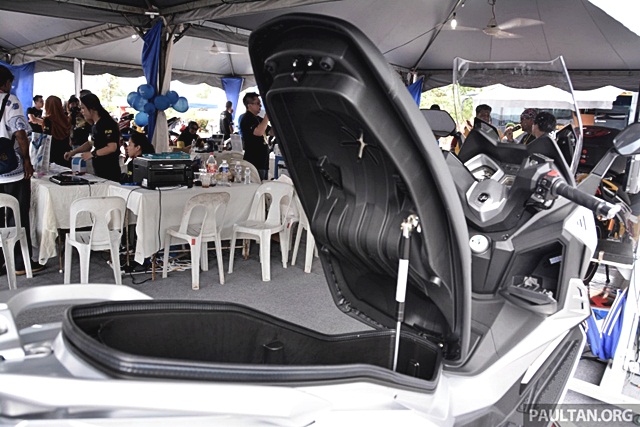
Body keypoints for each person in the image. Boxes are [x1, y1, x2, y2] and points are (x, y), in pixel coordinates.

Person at [0, 65, 45, 274]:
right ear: (6, 83)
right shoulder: (10, 101)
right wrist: (27, 160)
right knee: (18, 213)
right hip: (10, 171)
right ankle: (20, 262)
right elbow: (20, 133)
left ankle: (1, 260)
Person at [63, 93, 121, 182]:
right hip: (99, 169)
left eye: (83, 108)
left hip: (109, 170)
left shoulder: (107, 123)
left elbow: (112, 147)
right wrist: (73, 152)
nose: (82, 111)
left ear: (92, 108)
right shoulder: (94, 124)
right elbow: (90, 142)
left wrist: (92, 154)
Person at [240, 92, 270, 180]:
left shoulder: (258, 119)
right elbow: (258, 132)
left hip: (263, 161)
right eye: (257, 103)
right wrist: (267, 117)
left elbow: (270, 131)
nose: (260, 106)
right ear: (249, 105)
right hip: (254, 161)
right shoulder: (247, 119)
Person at [42, 95, 72, 167]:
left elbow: (46, 136)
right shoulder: (66, 119)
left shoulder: (47, 120)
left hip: (52, 153)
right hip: (66, 152)